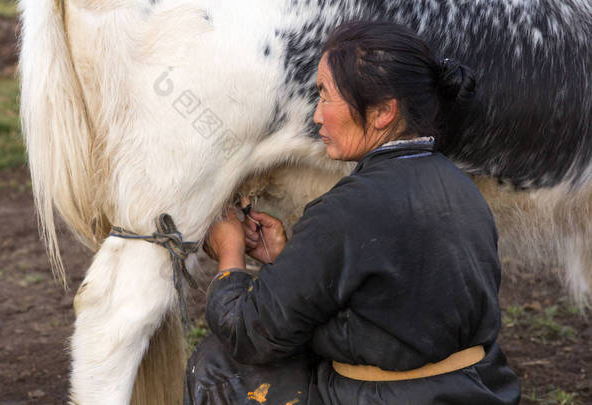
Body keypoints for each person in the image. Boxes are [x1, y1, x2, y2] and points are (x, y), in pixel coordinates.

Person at [185, 21, 520, 405]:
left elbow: (249, 333)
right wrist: (287, 260)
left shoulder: (345, 210)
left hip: (384, 397)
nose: (316, 116)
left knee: (217, 365)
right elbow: (390, 302)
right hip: (478, 390)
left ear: (382, 113)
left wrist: (229, 254)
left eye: (326, 96)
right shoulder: (461, 188)